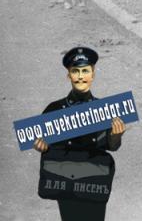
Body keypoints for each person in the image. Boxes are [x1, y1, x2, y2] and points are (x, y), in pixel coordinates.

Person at [33, 47, 125, 221]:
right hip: (64, 181)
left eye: (85, 71)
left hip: (94, 181)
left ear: (93, 74)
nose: (81, 76)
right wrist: (41, 146)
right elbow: (44, 145)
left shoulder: (105, 110)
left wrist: (116, 135)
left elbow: (112, 146)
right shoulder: (54, 109)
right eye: (75, 71)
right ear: (68, 75)